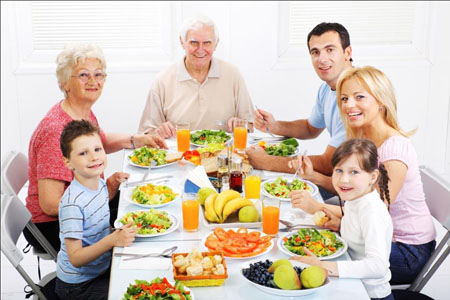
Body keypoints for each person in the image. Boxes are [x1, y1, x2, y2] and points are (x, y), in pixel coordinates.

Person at [290, 66, 436, 285]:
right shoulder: (363, 140)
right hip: (372, 234)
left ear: (381, 101)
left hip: (406, 251)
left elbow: (372, 212)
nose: (349, 105)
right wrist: (313, 177)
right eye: (345, 98)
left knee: (317, 262)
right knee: (309, 245)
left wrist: (316, 207)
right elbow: (355, 198)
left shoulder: (394, 150)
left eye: (359, 97)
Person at [24, 43, 166, 253]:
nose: (93, 81)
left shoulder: (80, 112)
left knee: (143, 206)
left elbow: (102, 141)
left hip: (86, 204)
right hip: (55, 224)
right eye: (83, 75)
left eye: (98, 74)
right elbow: (51, 205)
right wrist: (104, 192)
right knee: (139, 230)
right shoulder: (55, 131)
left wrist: (137, 139)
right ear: (65, 83)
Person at [246, 22, 352, 180]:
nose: (322, 59)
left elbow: (329, 164)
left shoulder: (355, 100)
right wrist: (275, 126)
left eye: (330, 50)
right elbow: (310, 128)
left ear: (347, 52)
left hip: (353, 186)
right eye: (315, 52)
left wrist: (266, 161)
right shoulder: (327, 89)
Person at [292, 138, 394, 300]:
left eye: (354, 172)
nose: (344, 179)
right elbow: (359, 233)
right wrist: (341, 225)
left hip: (368, 294)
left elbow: (378, 266)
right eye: (339, 170)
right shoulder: (356, 197)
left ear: (372, 177)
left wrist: (323, 266)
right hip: (349, 283)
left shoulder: (372, 212)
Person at [55, 120, 136, 300]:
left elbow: (96, 207)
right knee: (131, 293)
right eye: (83, 153)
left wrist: (112, 186)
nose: (94, 157)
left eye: (98, 149)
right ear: (68, 162)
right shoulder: (72, 204)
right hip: (78, 286)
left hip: (101, 267)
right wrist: (111, 240)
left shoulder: (97, 182)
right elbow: (75, 257)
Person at [137, 15, 255, 138]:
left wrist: (240, 125)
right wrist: (159, 131)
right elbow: (146, 134)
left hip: (223, 154)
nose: (200, 49)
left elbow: (249, 126)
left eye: (207, 43)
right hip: (180, 155)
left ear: (216, 44)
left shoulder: (232, 74)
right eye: (194, 42)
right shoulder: (162, 80)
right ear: (182, 42)